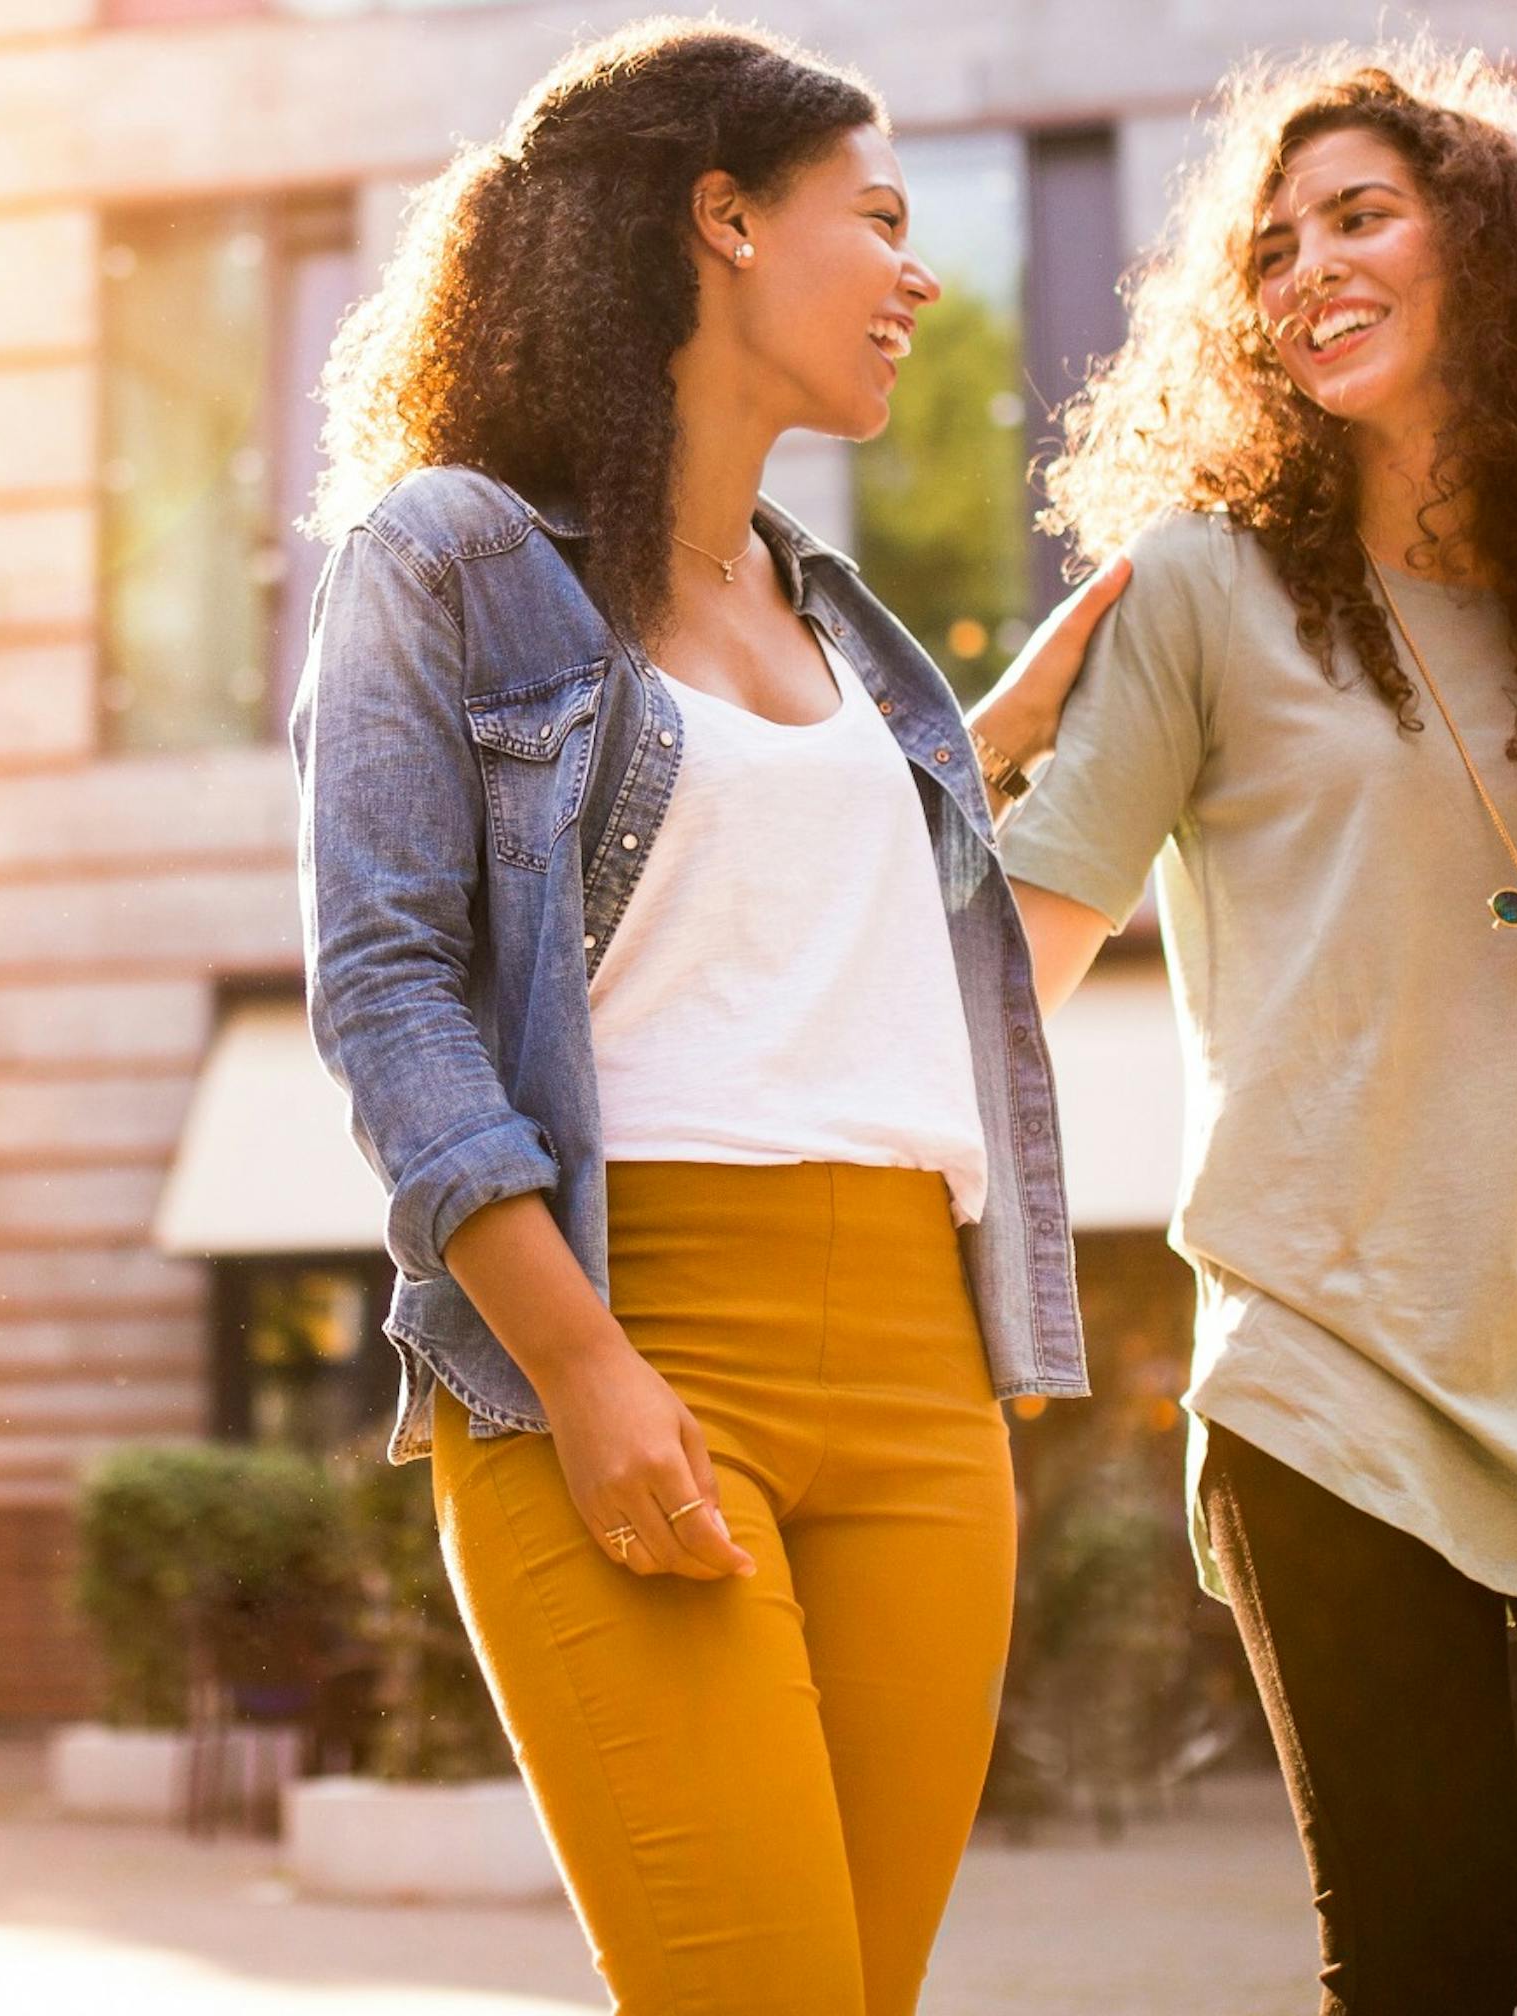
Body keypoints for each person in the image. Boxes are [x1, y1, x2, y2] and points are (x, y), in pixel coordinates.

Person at [985, 47, 1517, 2015]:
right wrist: (946, 765)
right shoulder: (1201, 591)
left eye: (1358, 215)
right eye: (1272, 247)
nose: (1306, 270)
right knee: (1431, 1972)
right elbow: (1019, 953)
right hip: (1329, 1366)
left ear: (1488, 245)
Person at [294, 21, 1123, 2012]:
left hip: (930, 1385)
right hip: (629, 1337)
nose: (920, 276)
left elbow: (900, 977)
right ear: (726, 217)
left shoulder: (856, 632)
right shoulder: (454, 561)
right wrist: (581, 1367)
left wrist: (1034, 759)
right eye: (885, 220)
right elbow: (388, 987)